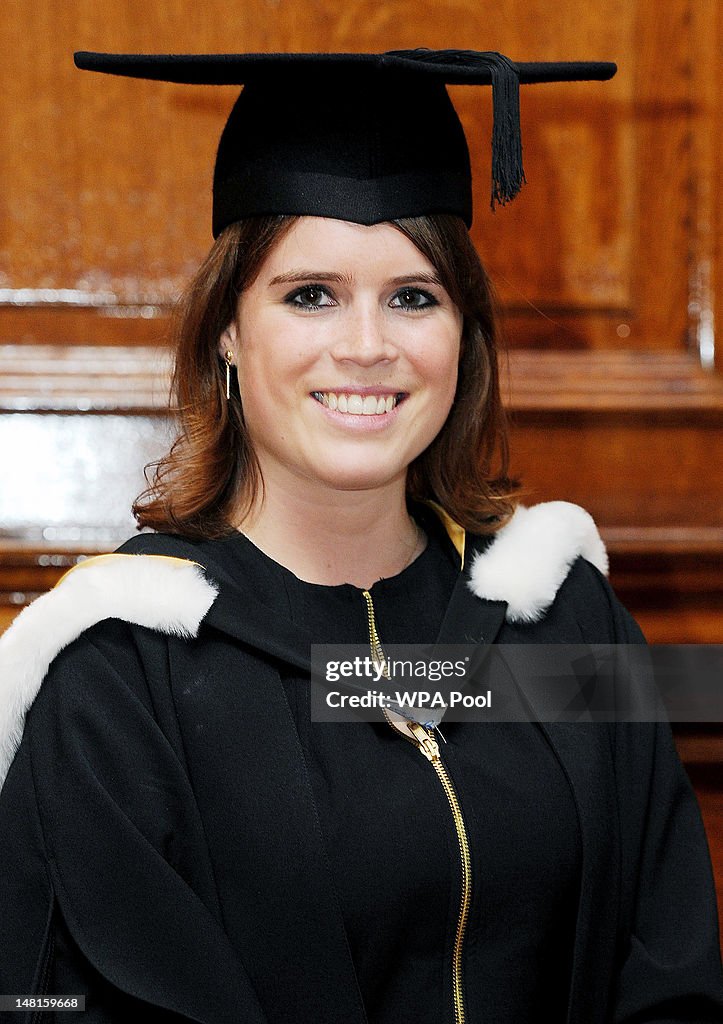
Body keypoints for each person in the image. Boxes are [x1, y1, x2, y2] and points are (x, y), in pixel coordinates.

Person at [0, 48, 721, 1024]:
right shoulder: (124, 674)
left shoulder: (558, 624)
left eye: (414, 296)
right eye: (311, 294)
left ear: (464, 335)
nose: (368, 345)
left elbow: (669, 965)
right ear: (226, 329)